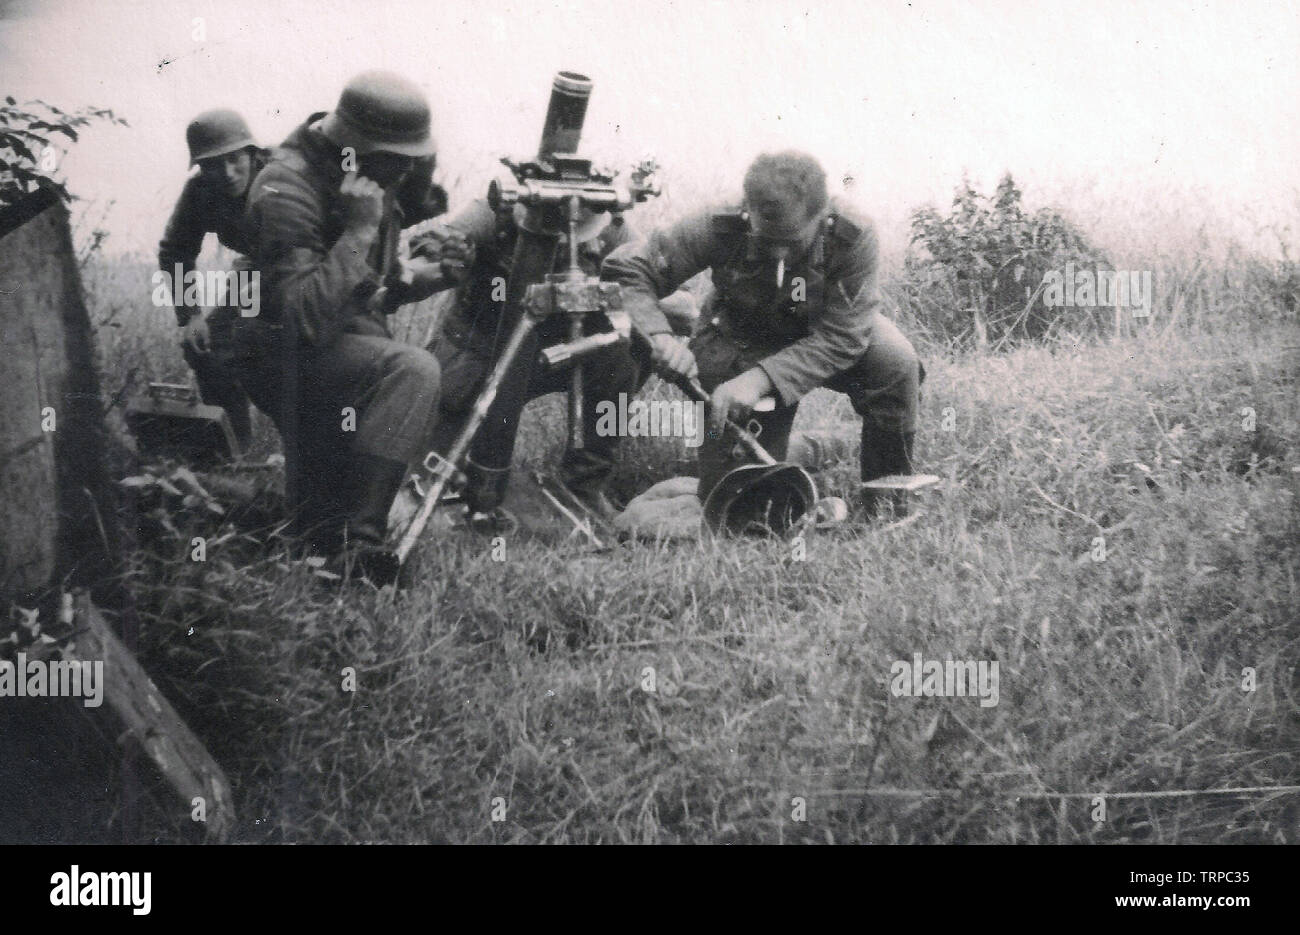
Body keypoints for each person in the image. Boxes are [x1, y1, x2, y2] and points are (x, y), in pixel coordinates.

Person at [601, 150, 924, 515]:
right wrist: (658, 336)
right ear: (747, 211)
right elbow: (628, 269)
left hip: (822, 331)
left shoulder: (853, 234)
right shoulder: (720, 222)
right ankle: (816, 448)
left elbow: (845, 335)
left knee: (895, 361)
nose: (779, 255)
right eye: (767, 240)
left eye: (793, 242)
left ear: (822, 217)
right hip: (739, 339)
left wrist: (759, 380)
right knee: (739, 505)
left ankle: (886, 501)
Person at [231, 71, 450, 581]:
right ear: (357, 145)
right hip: (276, 356)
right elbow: (300, 318)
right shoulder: (285, 187)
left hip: (335, 345)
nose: (409, 169)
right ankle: (363, 547)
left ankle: (330, 534)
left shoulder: (364, 174)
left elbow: (371, 294)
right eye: (401, 157)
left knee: (312, 528)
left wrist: (430, 278)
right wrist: (359, 231)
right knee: (413, 371)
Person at [409, 199, 652, 523]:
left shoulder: (613, 230)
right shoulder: (496, 210)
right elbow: (430, 245)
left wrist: (641, 310)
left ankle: (583, 486)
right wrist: (447, 254)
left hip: (555, 354)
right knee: (426, 473)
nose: (565, 239)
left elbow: (646, 279)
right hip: (481, 350)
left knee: (623, 358)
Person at [157, 108, 268, 452]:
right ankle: (237, 452)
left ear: (252, 153)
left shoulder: (286, 174)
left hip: (308, 270)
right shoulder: (201, 191)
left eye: (235, 159)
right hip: (254, 271)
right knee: (209, 347)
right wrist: (190, 316)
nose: (227, 173)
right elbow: (175, 250)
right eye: (213, 165)